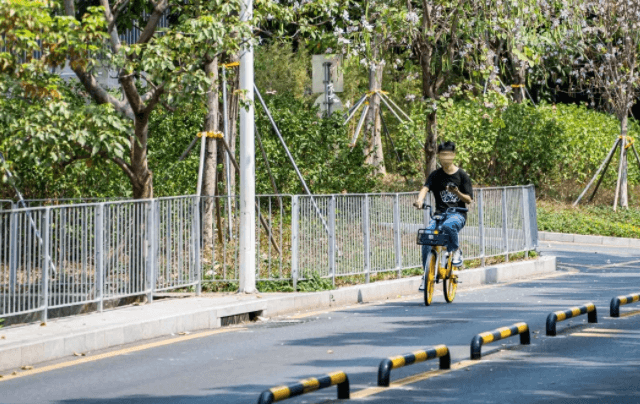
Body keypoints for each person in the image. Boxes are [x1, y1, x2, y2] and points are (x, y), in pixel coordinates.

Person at [414, 141, 473, 274]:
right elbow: (425, 188)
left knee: (448, 226)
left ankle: (456, 251)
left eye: (448, 154)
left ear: (453, 155)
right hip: (439, 215)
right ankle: (426, 274)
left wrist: (456, 192)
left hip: (458, 214)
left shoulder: (462, 175)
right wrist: (419, 200)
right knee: (426, 237)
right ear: (439, 156)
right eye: (442, 155)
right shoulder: (435, 175)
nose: (445, 157)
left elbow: (469, 199)